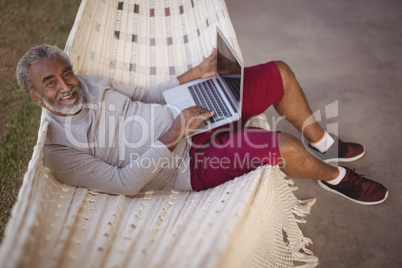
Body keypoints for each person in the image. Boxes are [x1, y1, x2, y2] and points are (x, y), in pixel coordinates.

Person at [16, 44, 388, 205]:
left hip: (192, 114)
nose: (66, 86)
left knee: (278, 73)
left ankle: (323, 142)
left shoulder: (91, 83)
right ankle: (335, 178)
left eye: (67, 74)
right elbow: (122, 184)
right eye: (51, 82)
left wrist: (192, 76)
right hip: (185, 165)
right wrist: (174, 132)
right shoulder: (59, 151)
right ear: (35, 96)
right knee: (282, 146)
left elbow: (145, 96)